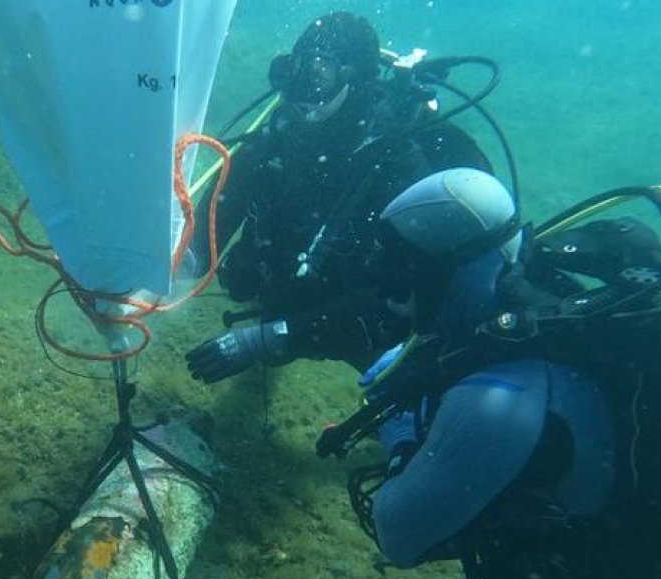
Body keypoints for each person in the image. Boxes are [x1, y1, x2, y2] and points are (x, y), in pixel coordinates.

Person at [350, 168, 661, 579]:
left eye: (399, 275)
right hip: (617, 546)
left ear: (446, 273)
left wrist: (398, 440)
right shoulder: (542, 309)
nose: (388, 295)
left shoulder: (498, 398)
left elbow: (399, 537)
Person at [185, 11, 494, 383]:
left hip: (360, 320)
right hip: (295, 293)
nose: (300, 91)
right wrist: (173, 262)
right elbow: (213, 220)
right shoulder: (279, 137)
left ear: (354, 78)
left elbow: (393, 307)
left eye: (316, 75)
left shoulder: (398, 167)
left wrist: (272, 339)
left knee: (400, 382)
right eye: (294, 70)